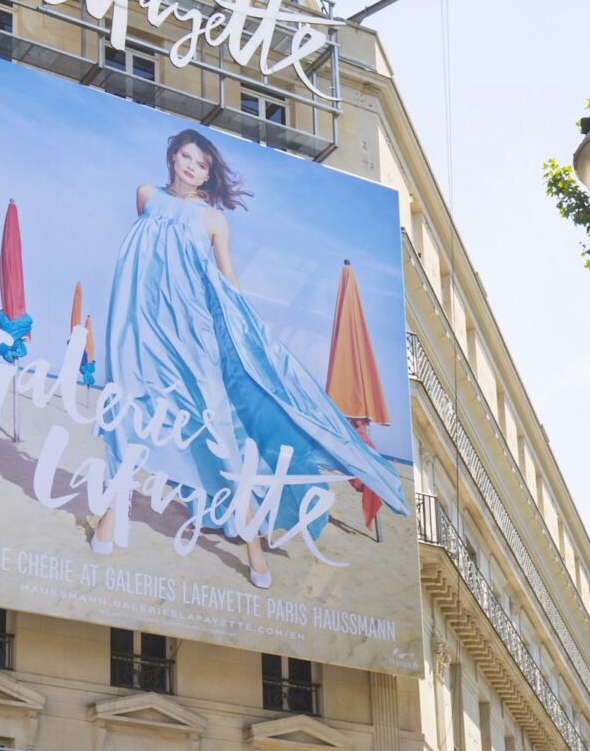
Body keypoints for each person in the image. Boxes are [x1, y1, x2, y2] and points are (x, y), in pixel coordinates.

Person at [91, 129, 408, 588]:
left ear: (209, 172)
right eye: (184, 157)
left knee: (220, 433)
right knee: (127, 416)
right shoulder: (145, 197)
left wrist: (250, 336)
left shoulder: (214, 221)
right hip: (139, 329)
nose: (190, 166)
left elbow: (229, 282)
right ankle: (108, 517)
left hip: (193, 337)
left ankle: (254, 546)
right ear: (172, 157)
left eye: (200, 163)